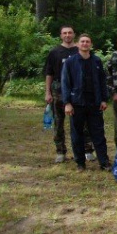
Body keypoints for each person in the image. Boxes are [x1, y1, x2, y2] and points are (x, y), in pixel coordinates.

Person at [61, 33, 110, 171]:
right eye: (82, 41)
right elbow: (65, 83)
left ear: (91, 44)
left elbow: (102, 81)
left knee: (98, 134)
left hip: (94, 103)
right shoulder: (70, 62)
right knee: (77, 134)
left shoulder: (97, 61)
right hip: (77, 103)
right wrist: (67, 103)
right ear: (78, 44)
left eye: (87, 41)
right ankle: (80, 163)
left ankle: (104, 162)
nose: (85, 44)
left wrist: (104, 99)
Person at [44, 24, 94, 163]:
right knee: (59, 122)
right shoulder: (54, 52)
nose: (67, 35)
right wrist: (48, 92)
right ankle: (60, 151)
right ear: (61, 35)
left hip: (78, 91)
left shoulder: (80, 50)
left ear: (74, 34)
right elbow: (49, 73)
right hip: (58, 90)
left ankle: (87, 150)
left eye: (70, 32)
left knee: (83, 122)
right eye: (64, 33)